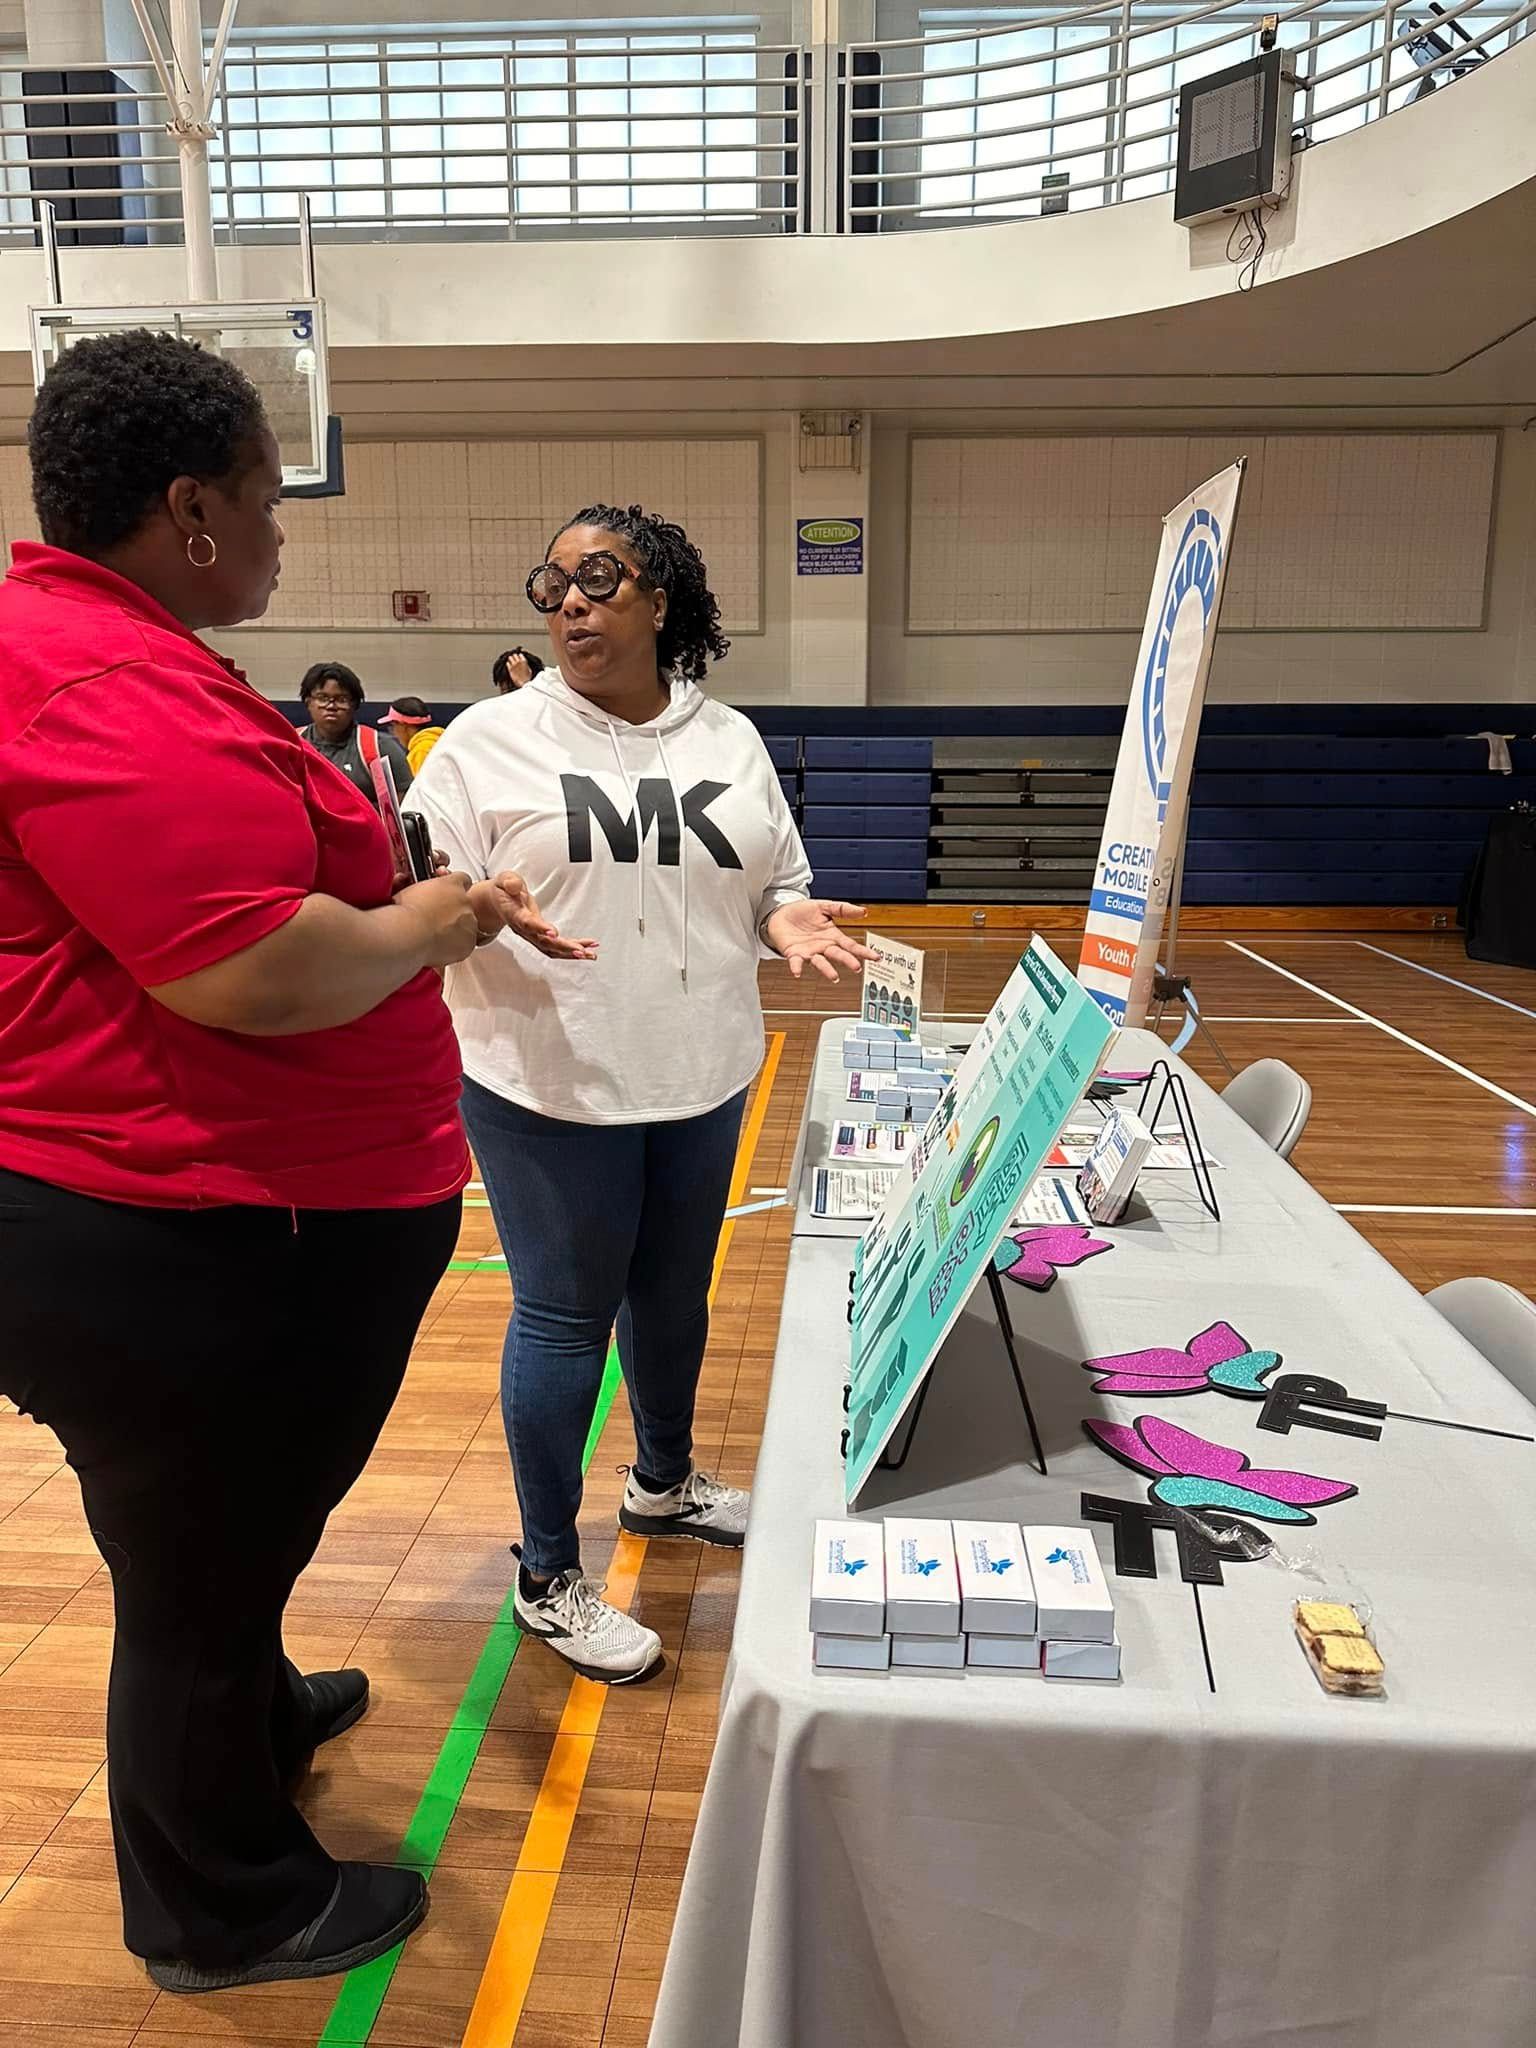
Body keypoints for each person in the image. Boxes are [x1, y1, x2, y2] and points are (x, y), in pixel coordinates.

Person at [0, 329, 543, 1992]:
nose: (284, 526)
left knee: (212, 1540)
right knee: (197, 1567)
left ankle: (243, 1694)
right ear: (189, 508)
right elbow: (248, 970)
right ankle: (220, 1901)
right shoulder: (99, 680)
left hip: (186, 1219)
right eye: (263, 491)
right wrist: (429, 920)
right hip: (182, 1232)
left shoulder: (103, 650)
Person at [407, 503, 874, 1686]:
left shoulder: (731, 740)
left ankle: (663, 1484)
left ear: (661, 599)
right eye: (550, 582)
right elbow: (417, 896)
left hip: (705, 1068)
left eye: (598, 577)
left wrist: (781, 916)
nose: (568, 601)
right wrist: (471, 909)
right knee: (565, 1318)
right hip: (547, 1083)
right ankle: (549, 1573)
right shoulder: (484, 742)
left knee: (672, 1295)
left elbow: (773, 877)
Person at [298, 660, 412, 807]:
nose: (331, 706)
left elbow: (404, 805)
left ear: (354, 705)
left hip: (364, 829)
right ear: (308, 702)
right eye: (322, 698)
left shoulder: (380, 747)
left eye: (341, 699)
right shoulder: (291, 744)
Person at [381, 694, 445, 775]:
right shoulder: (436, 742)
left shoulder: (422, 751)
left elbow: (419, 786)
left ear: (403, 725)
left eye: (392, 726)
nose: (392, 732)